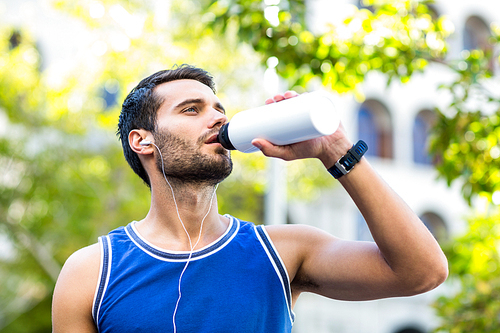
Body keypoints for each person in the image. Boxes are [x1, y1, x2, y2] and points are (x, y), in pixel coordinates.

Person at [52, 64, 448, 333]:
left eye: (219, 109)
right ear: (143, 141)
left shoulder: (284, 251)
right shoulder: (91, 272)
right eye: (192, 109)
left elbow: (423, 272)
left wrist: (335, 149)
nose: (218, 118)